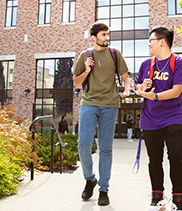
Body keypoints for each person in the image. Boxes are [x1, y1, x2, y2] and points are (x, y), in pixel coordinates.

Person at [73, 22, 131, 206]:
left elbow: (125, 77)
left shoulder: (115, 54)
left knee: (105, 148)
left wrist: (128, 89)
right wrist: (87, 71)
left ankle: (104, 189)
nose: (107, 37)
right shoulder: (85, 56)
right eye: (103, 35)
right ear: (94, 37)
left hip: (110, 105)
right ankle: (90, 179)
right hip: (89, 104)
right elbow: (76, 82)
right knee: (83, 144)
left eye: (108, 34)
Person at [134, 26, 182, 211]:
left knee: (176, 158)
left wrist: (155, 96)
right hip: (150, 120)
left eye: (151, 40)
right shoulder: (145, 65)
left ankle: (178, 200)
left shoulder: (180, 63)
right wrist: (143, 86)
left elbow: (176, 91)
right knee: (154, 160)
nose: (149, 44)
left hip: (173, 118)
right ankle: (157, 197)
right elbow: (138, 90)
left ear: (162, 42)